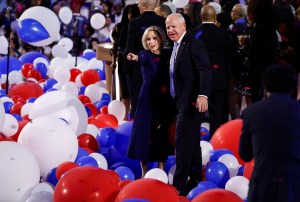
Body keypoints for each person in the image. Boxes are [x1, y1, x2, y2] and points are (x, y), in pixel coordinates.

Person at [239, 63, 300, 202]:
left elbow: (245, 154)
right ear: (292, 87)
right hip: (294, 186)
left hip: (262, 185)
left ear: (265, 86)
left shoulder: (251, 112)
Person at [165, 13, 212, 195]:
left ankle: (178, 187)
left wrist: (203, 95)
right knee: (191, 142)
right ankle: (195, 180)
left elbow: (205, 70)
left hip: (192, 102)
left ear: (183, 26)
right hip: (180, 101)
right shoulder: (175, 45)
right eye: (168, 27)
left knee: (182, 142)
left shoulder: (193, 42)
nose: (170, 30)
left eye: (173, 27)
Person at [126, 26, 175, 178]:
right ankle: (144, 172)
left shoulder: (168, 54)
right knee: (144, 134)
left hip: (164, 99)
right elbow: (140, 58)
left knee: (161, 134)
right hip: (147, 99)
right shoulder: (144, 55)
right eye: (148, 39)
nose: (151, 41)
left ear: (161, 38)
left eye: (154, 38)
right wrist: (134, 57)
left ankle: (161, 169)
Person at [124, 0, 167, 119]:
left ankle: (137, 133)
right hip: (159, 69)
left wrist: (127, 70)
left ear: (145, 5)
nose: (137, 5)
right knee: (157, 105)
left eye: (139, 3)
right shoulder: (163, 22)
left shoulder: (134, 23)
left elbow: (129, 49)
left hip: (138, 71)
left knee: (138, 105)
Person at [195, 5, 232, 138]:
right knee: (216, 114)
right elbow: (229, 56)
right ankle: (214, 141)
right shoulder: (223, 33)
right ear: (215, 17)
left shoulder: (194, 33)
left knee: (197, 113)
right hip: (219, 77)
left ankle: (196, 142)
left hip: (199, 78)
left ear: (201, 16)